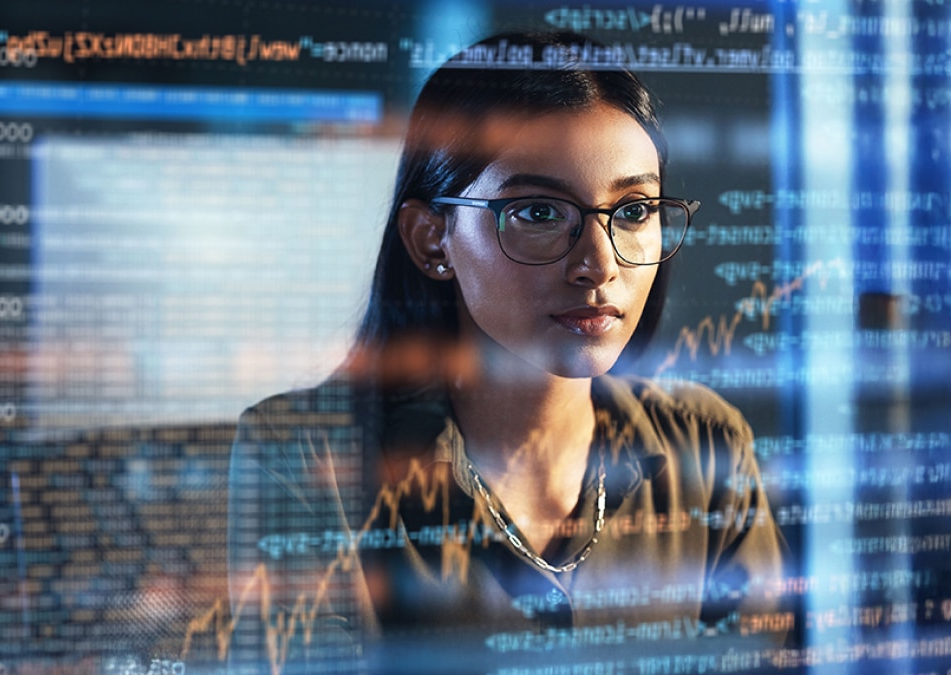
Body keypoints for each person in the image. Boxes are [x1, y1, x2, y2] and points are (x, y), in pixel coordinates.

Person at [228, 31, 786, 674]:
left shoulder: (708, 447)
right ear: (431, 239)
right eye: (540, 213)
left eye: (633, 210)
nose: (598, 265)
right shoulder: (305, 453)